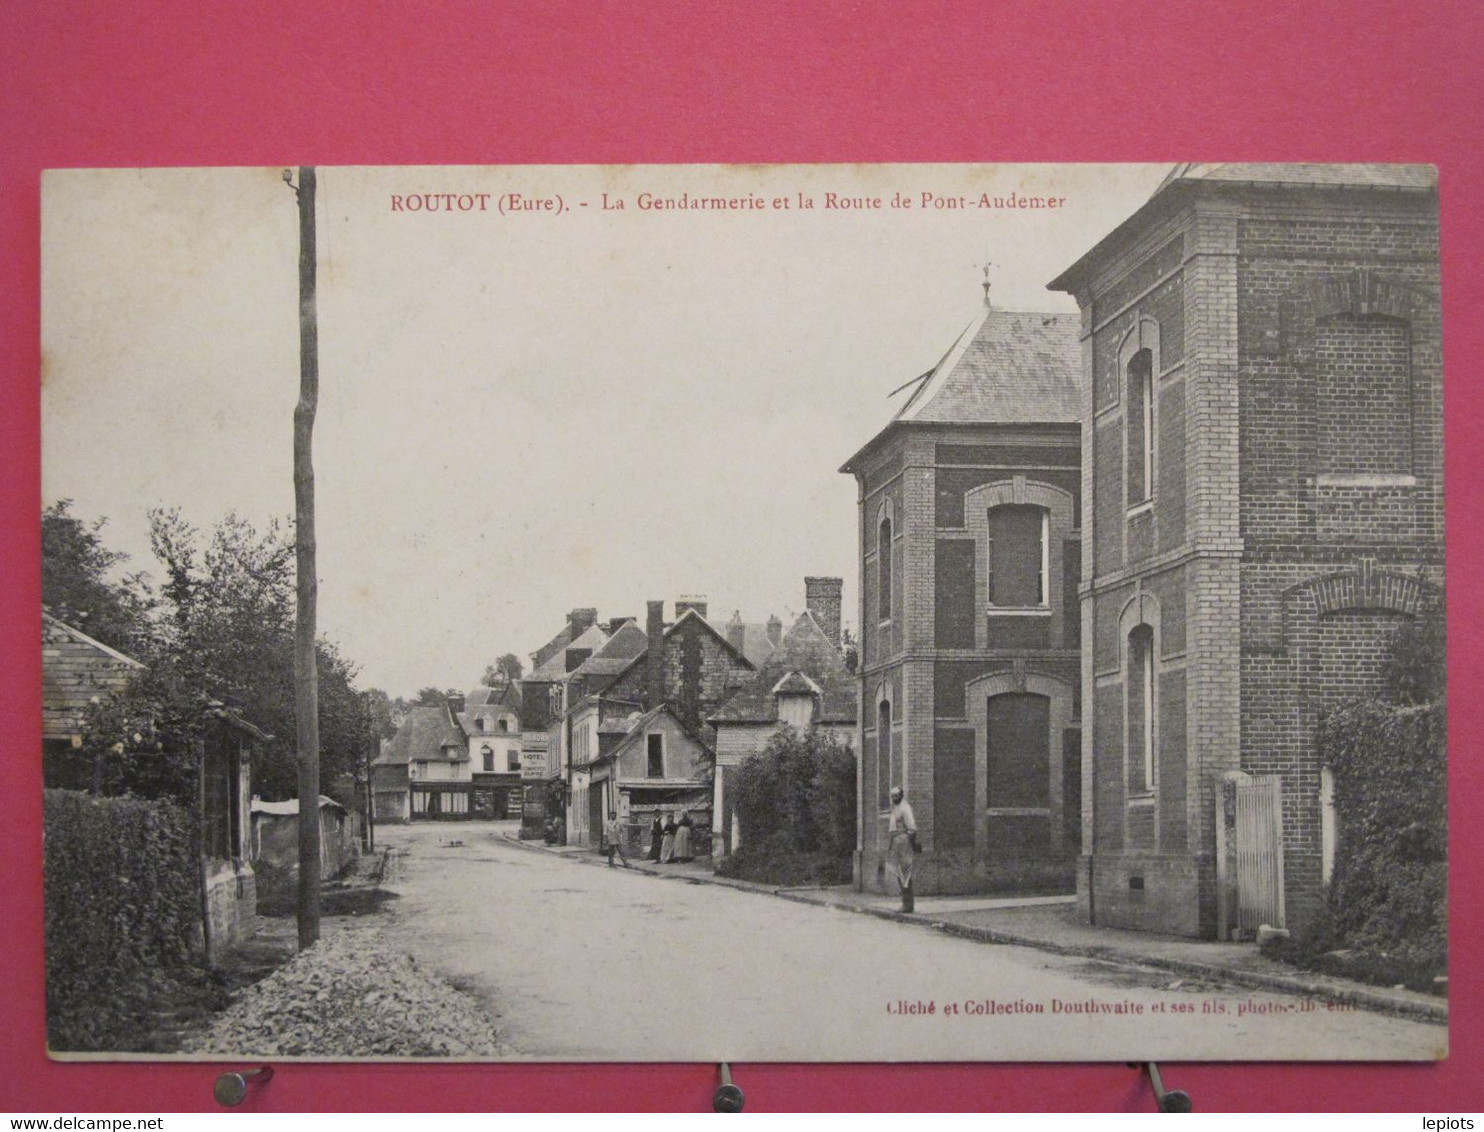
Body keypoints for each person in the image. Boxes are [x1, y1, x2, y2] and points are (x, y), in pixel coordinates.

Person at [887, 785, 920, 912]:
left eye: (896, 795)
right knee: (899, 872)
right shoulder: (895, 809)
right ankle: (904, 902)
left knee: (905, 872)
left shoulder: (905, 808)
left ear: (901, 796)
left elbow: (912, 828)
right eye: (892, 796)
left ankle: (908, 904)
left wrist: (908, 844)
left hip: (904, 841)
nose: (894, 798)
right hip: (896, 842)